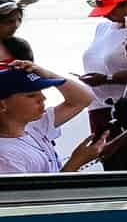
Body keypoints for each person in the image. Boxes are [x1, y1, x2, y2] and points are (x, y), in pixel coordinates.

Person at [0, 44, 103, 173]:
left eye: (41, 92)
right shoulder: (5, 156)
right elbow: (37, 194)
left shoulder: (33, 126)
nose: (43, 99)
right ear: (2, 105)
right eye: (31, 95)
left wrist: (48, 74)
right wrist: (76, 162)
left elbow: (83, 99)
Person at [81, 0, 127, 109]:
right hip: (97, 104)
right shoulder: (103, 27)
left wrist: (108, 79)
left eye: (110, 11)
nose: (105, 15)